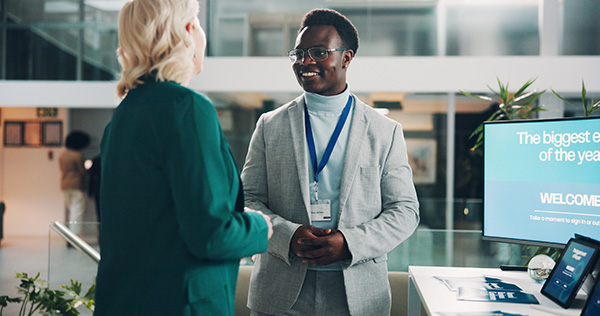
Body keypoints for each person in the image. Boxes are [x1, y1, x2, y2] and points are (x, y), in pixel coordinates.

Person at [94, 1, 272, 315]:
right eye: (198, 21)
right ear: (188, 30)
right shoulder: (186, 108)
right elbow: (212, 235)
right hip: (179, 304)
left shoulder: (123, 115)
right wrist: (260, 226)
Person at [241, 8, 420, 316]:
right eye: (298, 54)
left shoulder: (384, 130)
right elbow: (247, 199)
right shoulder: (270, 125)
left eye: (318, 52)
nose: (305, 62)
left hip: (357, 295)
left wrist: (348, 242)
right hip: (280, 291)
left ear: (346, 58)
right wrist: (289, 235)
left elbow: (405, 211)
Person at [59, 130, 90, 237]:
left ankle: (70, 236)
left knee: (70, 212)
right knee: (77, 212)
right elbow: (82, 171)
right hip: (77, 185)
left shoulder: (63, 155)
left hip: (65, 184)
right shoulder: (78, 155)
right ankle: (76, 236)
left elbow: (62, 169)